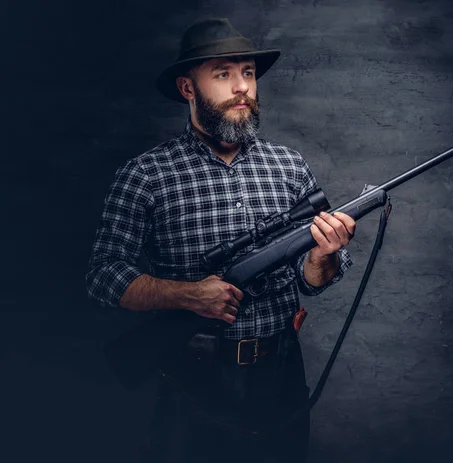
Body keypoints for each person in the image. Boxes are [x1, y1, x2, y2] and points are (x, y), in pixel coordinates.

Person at [86, 18, 355, 463]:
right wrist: (188, 296)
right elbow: (103, 276)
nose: (242, 88)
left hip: (281, 374)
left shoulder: (289, 167)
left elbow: (314, 279)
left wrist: (323, 257)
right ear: (188, 88)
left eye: (248, 73)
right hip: (193, 379)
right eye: (223, 74)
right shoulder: (145, 175)